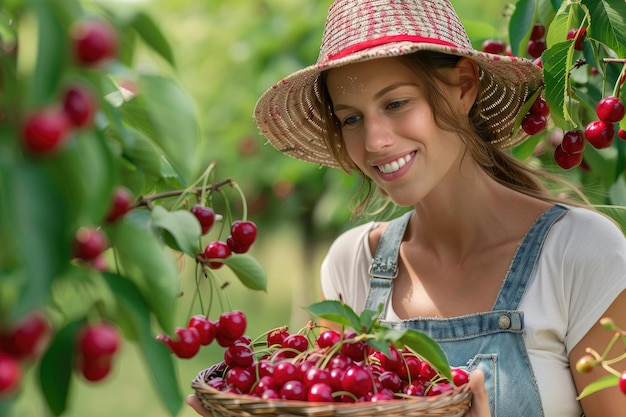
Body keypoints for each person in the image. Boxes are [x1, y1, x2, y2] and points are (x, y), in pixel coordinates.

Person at [188, 0, 626, 416]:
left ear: (463, 88)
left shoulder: (582, 254)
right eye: (351, 118)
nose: (375, 141)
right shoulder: (352, 265)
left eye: (396, 103)